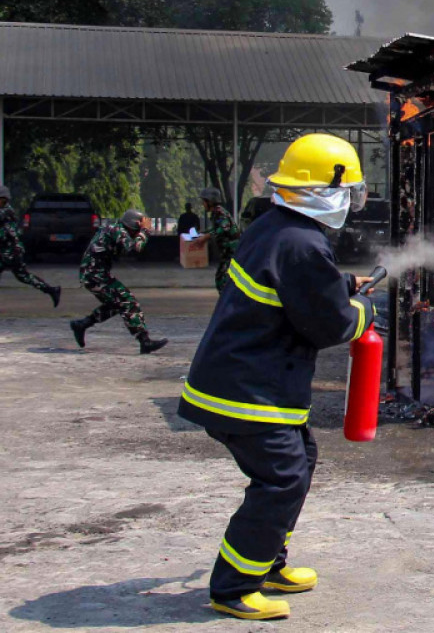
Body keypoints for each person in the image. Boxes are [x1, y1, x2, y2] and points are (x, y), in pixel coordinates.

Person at [177, 134, 375, 621]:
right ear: (326, 191)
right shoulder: (303, 244)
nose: (351, 201)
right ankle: (233, 588)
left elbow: (288, 285)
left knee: (300, 461)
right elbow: (329, 325)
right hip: (247, 393)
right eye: (348, 191)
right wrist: (363, 310)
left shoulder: (275, 227)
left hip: (239, 382)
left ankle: (266, 561)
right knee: (282, 478)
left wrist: (341, 284)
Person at [71, 209, 167, 354]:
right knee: (129, 302)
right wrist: (145, 231)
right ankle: (144, 341)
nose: (137, 234)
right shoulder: (118, 230)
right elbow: (134, 248)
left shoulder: (114, 228)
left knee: (117, 304)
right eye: (138, 229)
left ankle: (82, 324)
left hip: (93, 274)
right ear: (133, 226)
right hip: (95, 275)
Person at [0, 186, 61, 306]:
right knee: (23, 276)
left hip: (11, 251)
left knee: (24, 276)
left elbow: (6, 233)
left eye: (2, 200)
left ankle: (52, 290)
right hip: (7, 250)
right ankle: (51, 290)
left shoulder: (6, 211)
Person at [194, 187, 241, 293]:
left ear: (210, 201)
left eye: (204, 201)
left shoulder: (220, 212)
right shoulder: (216, 213)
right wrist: (204, 233)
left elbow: (224, 227)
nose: (203, 204)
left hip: (232, 253)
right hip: (226, 253)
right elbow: (215, 228)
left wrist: (206, 237)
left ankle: (228, 305)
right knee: (221, 279)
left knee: (223, 281)